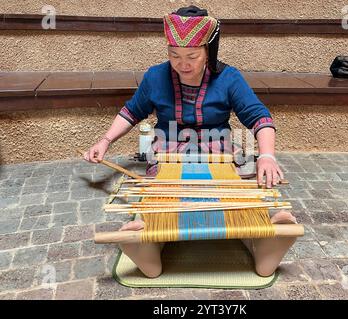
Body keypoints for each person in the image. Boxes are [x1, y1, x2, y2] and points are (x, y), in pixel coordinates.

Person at [84, 6, 297, 278]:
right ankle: (145, 234)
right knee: (162, 188)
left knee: (238, 183)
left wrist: (267, 156)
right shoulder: (155, 76)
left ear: (208, 51)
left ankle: (265, 235)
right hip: (169, 151)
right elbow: (132, 111)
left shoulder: (228, 77)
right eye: (174, 55)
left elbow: (259, 117)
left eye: (192, 56)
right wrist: (105, 141)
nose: (182, 64)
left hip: (217, 149)